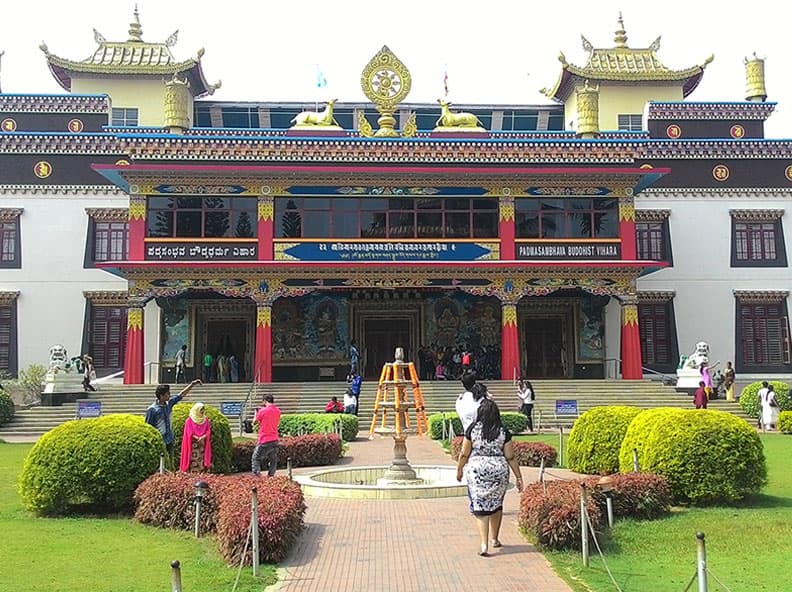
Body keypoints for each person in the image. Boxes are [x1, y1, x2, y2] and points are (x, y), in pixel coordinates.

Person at [456, 398, 524, 557]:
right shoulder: (503, 431)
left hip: (477, 470)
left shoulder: (472, 430)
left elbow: (464, 453)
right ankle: (495, 539)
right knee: (496, 504)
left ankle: (484, 544)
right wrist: (519, 477)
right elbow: (510, 456)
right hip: (498, 470)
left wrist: (459, 469)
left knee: (480, 507)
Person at [144, 379, 202, 455]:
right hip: (159, 440)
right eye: (167, 394)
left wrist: (192, 385)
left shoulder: (169, 403)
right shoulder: (152, 409)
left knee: (170, 458)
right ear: (161, 396)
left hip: (169, 439)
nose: (170, 395)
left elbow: (181, 395)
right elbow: (148, 426)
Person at [252, 394, 281, 477]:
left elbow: (254, 422)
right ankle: (271, 475)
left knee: (256, 458)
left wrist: (256, 413)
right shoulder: (278, 411)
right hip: (275, 438)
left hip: (264, 439)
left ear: (264, 401)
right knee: (273, 459)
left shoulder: (262, 411)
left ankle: (257, 476)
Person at [179, 402, 212, 472]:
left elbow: (208, 430)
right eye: (201, 409)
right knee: (193, 460)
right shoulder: (189, 420)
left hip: (202, 444)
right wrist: (197, 438)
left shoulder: (205, 420)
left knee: (202, 460)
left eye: (203, 409)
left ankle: (202, 475)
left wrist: (203, 437)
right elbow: (189, 432)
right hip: (193, 445)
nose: (202, 411)